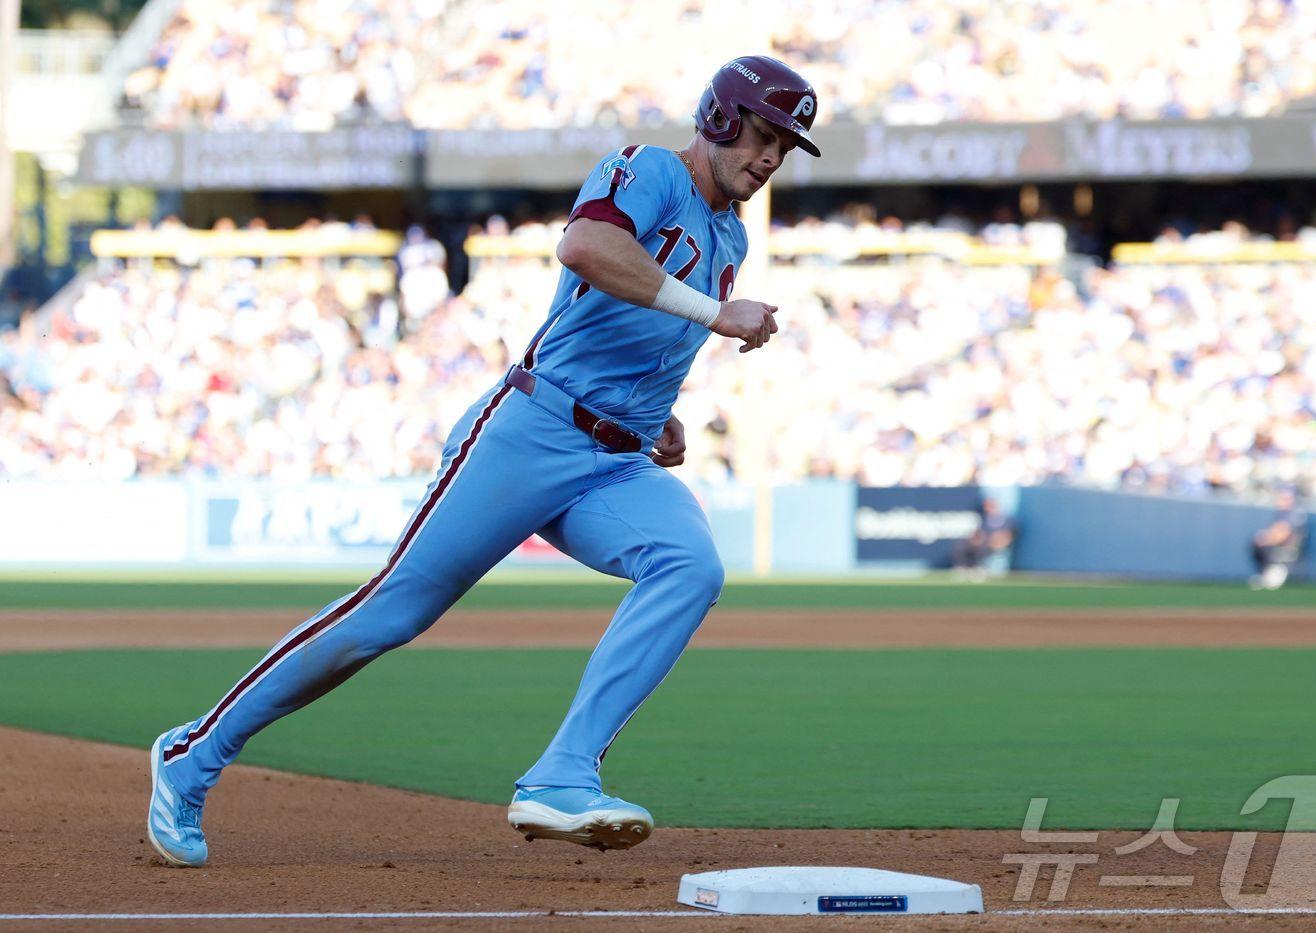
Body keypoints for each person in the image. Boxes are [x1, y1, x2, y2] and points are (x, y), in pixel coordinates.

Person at [145, 55, 822, 866]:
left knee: (691, 564)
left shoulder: (731, 233)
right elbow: (586, 249)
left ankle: (562, 774)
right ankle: (191, 754)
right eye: (763, 133)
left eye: (785, 145)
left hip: (615, 459)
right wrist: (714, 313)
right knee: (388, 615)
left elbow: (630, 326)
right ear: (719, 117)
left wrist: (660, 413)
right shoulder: (648, 170)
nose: (771, 156)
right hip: (531, 431)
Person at [1248, 489, 1308, 590]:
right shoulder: (1281, 514)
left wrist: (1267, 538)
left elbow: (1283, 534)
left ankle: (1274, 572)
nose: (1280, 501)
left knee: (1264, 546)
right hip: (1278, 546)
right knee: (1257, 545)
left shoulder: (1294, 514)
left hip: (1290, 548)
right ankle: (1266, 573)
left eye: (1284, 498)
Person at [950, 497, 1017, 580]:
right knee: (962, 545)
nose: (988, 508)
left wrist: (998, 541)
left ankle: (978, 569)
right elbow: (979, 533)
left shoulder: (1007, 520)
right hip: (984, 542)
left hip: (996, 544)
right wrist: (976, 539)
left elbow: (1008, 536)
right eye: (987, 506)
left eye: (990, 506)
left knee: (983, 548)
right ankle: (962, 569)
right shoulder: (984, 519)